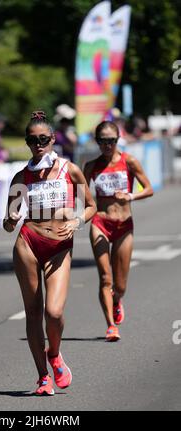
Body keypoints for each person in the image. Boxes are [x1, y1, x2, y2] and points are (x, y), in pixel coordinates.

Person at [3, 111, 96, 395]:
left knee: (53, 312)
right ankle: (43, 377)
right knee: (33, 313)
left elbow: (90, 205)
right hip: (28, 243)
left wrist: (77, 221)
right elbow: (8, 223)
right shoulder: (21, 176)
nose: (38, 144)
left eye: (43, 139)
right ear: (28, 143)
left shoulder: (70, 170)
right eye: (32, 140)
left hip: (59, 246)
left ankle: (54, 353)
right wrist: (10, 219)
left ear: (53, 140)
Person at [84, 121, 153, 342]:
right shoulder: (91, 166)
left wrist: (130, 196)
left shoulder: (129, 161)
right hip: (101, 223)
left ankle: (117, 300)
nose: (107, 145)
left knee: (120, 285)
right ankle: (111, 327)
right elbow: (81, 194)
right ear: (97, 142)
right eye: (103, 141)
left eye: (112, 141)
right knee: (105, 278)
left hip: (124, 225)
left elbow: (148, 189)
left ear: (118, 140)